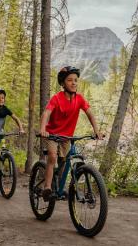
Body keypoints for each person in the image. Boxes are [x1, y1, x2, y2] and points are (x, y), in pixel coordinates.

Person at [40, 66, 103, 201]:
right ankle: (47, 187)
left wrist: (96, 130)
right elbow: (46, 113)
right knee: (52, 156)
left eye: (76, 80)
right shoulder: (56, 98)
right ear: (63, 83)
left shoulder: (79, 99)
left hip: (66, 137)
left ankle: (60, 187)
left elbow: (90, 113)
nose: (74, 83)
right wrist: (43, 129)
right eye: (70, 80)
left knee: (64, 161)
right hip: (52, 134)